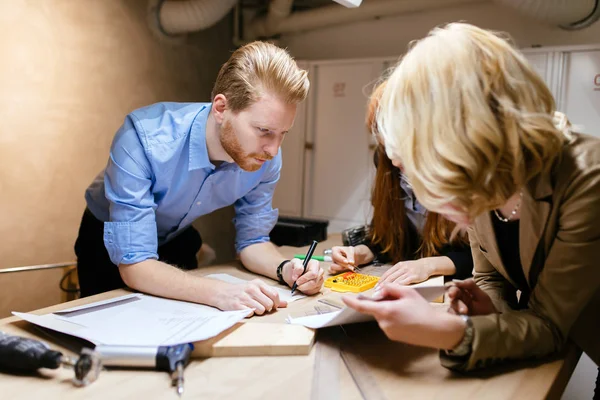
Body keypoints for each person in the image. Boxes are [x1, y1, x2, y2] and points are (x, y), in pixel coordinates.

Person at [343, 23, 600, 374]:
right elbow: (490, 279)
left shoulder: (588, 179)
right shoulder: (489, 173)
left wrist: (446, 330)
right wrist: (482, 308)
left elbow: (550, 326)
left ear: (470, 138)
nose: (431, 200)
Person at [75, 41, 325, 315]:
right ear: (221, 108)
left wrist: (286, 269)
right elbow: (136, 265)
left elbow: (253, 241)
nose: (274, 149)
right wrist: (221, 292)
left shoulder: (266, 157)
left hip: (176, 237)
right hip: (106, 238)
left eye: (283, 134)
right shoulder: (142, 140)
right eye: (264, 130)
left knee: (181, 327)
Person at [330, 82, 473, 285]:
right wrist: (360, 253)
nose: (394, 160)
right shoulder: (386, 162)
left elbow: (482, 257)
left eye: (400, 148)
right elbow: (388, 239)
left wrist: (429, 265)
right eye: (385, 147)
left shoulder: (461, 169)